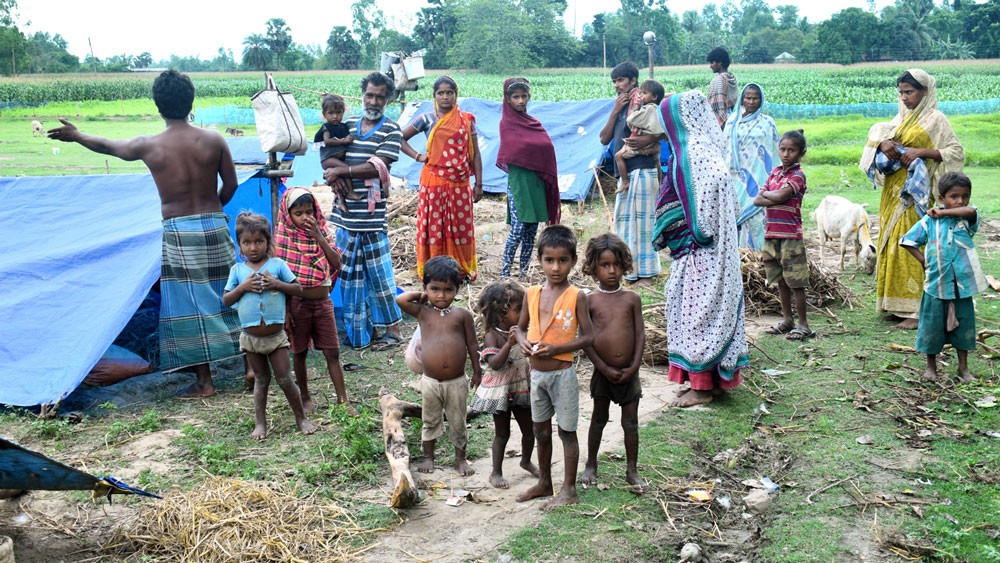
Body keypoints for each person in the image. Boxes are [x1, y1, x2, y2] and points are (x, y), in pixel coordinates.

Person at [48, 70, 241, 398]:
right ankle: (253, 367)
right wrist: (212, 211)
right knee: (233, 292)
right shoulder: (213, 139)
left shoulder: (149, 145)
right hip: (214, 224)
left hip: (179, 232)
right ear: (190, 101)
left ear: (158, 106)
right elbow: (232, 185)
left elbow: (108, 145)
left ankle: (205, 383)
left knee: (190, 306)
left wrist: (78, 135)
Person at [651, 90, 749, 408]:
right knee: (701, 310)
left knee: (697, 313)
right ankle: (711, 383)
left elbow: (717, 182)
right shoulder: (698, 147)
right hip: (706, 249)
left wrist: (701, 229)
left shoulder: (694, 151)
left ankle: (702, 389)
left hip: (701, 250)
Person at [860, 69, 965, 330]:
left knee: (911, 245)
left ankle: (917, 311)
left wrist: (924, 151)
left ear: (925, 92)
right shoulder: (899, 119)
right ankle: (895, 306)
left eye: (910, 92)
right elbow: (879, 139)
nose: (905, 97)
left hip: (917, 195)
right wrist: (882, 143)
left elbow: (955, 151)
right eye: (901, 92)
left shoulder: (936, 119)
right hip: (892, 194)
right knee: (891, 244)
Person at [514, 225, 594, 510]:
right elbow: (519, 329)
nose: (556, 267)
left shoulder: (577, 296)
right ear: (540, 260)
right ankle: (545, 481)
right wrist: (522, 342)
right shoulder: (532, 293)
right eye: (549, 260)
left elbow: (588, 336)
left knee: (566, 431)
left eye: (562, 260)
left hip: (562, 374)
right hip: (536, 375)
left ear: (572, 260)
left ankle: (569, 490)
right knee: (540, 431)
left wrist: (558, 348)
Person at [323, 72, 405, 349]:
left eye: (380, 97)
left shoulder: (391, 130)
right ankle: (359, 331)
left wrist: (341, 170)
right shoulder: (345, 126)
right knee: (349, 276)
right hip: (346, 215)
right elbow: (325, 155)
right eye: (369, 95)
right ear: (362, 95)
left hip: (371, 215)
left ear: (388, 99)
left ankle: (393, 330)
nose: (373, 101)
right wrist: (332, 170)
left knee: (379, 276)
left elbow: (377, 166)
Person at [223, 213, 316, 441]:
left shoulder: (277, 265)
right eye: (247, 242)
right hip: (251, 337)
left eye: (258, 241)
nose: (253, 247)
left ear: (268, 241)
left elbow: (297, 289)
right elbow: (226, 300)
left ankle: (301, 417)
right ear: (240, 246)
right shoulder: (238, 271)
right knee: (261, 379)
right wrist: (243, 287)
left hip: (275, 336)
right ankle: (260, 423)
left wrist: (276, 284)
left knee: (284, 378)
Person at [396, 256, 482, 476]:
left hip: (457, 381)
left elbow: (472, 344)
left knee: (458, 420)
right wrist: (422, 296)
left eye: (448, 289)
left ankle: (461, 459)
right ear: (425, 288)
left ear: (457, 289)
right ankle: (428, 457)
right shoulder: (423, 312)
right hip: (430, 381)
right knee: (430, 418)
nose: (441, 295)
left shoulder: (461, 315)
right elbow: (401, 300)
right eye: (434, 289)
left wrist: (477, 370)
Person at [900, 172, 986, 382]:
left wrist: (944, 213)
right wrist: (922, 260)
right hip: (936, 284)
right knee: (931, 326)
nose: (960, 201)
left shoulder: (966, 220)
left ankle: (963, 369)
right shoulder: (929, 222)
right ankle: (931, 368)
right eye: (954, 196)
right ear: (941, 198)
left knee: (965, 326)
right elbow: (907, 241)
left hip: (961, 285)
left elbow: (972, 210)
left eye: (964, 196)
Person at [274, 188, 352, 415]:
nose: (305, 218)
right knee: (299, 352)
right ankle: (305, 397)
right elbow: (279, 278)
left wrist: (319, 237)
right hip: (297, 304)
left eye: (309, 212)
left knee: (332, 352)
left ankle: (343, 399)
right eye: (299, 213)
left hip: (323, 303)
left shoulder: (323, 233)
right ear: (289, 215)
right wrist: (285, 311)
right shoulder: (282, 240)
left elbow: (336, 262)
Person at [579, 233, 647, 493]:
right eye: (605, 265)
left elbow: (640, 334)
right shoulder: (589, 300)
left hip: (629, 371)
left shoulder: (632, 299)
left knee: (630, 422)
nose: (611, 270)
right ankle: (591, 464)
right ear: (593, 267)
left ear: (624, 265)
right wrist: (603, 367)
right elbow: (586, 339)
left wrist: (634, 367)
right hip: (602, 371)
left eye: (616, 265)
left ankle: (632, 470)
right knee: (598, 418)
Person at [400, 75, 484, 282]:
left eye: (450, 93)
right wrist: (418, 156)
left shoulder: (467, 119)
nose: (445, 97)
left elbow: (476, 154)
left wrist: (479, 183)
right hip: (433, 181)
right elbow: (399, 138)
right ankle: (434, 270)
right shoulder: (426, 119)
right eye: (441, 93)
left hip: (460, 182)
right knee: (435, 225)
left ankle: (460, 270)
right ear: (434, 95)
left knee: (460, 224)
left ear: (456, 94)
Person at [470, 280, 540, 489]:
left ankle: (526, 461)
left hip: (520, 387)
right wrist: (509, 343)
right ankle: (496, 472)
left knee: (530, 430)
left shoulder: (523, 330)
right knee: (502, 433)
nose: (523, 314)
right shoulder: (493, 336)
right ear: (501, 313)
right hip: (500, 390)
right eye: (519, 309)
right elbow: (495, 364)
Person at [599, 62, 663, 288]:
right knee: (625, 224)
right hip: (625, 174)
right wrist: (616, 110)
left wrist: (649, 140)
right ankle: (630, 271)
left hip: (643, 168)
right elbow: (604, 139)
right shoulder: (621, 105)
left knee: (644, 223)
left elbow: (663, 130)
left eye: (620, 81)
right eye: (614, 82)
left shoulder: (644, 103)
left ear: (633, 81)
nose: (617, 85)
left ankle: (647, 273)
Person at [497, 77, 561, 279]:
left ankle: (523, 273)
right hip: (518, 184)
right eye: (516, 97)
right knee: (517, 229)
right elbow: (513, 152)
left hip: (535, 183)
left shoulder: (534, 123)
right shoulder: (506, 124)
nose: (520, 101)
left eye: (524, 96)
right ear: (508, 99)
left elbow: (547, 148)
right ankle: (505, 273)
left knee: (531, 231)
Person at [755, 130, 813, 341]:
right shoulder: (775, 173)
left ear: (801, 153)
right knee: (780, 280)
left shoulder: (798, 175)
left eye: (792, 150)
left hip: (790, 236)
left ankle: (803, 324)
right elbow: (757, 200)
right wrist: (775, 197)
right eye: (783, 149)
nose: (786, 154)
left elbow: (776, 195)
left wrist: (771, 196)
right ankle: (787, 320)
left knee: (796, 282)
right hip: (771, 235)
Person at [723, 83, 779, 250]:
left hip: (760, 179)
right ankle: (739, 258)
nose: (751, 101)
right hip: (735, 180)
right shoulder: (732, 121)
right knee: (735, 217)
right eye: (748, 97)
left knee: (758, 219)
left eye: (756, 98)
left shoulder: (767, 122)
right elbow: (724, 149)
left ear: (761, 100)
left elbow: (775, 150)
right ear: (742, 99)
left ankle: (759, 257)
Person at [614, 79, 665, 194]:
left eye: (644, 93)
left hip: (640, 145)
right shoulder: (658, 109)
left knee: (618, 156)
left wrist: (636, 107)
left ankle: (625, 181)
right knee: (657, 162)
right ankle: (659, 183)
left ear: (654, 97)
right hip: (655, 144)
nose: (641, 96)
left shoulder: (647, 109)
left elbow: (631, 119)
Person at [315, 94, 358, 214]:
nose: (335, 116)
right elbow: (327, 141)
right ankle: (350, 192)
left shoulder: (343, 126)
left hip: (336, 159)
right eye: (331, 113)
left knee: (341, 180)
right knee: (347, 170)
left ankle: (341, 202)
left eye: (338, 112)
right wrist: (343, 141)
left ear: (343, 112)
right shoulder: (327, 128)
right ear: (324, 114)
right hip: (328, 159)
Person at [706, 47, 738, 127]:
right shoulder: (731, 76)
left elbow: (719, 106)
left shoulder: (719, 79)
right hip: (732, 116)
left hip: (722, 120)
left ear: (719, 63)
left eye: (712, 62)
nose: (710, 66)